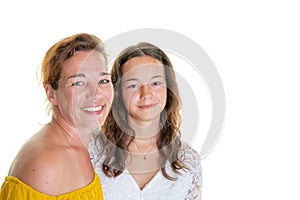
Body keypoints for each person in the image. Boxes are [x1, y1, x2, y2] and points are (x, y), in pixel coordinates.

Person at [0, 33, 114, 199]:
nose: (95, 94)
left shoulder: (84, 146)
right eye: (78, 83)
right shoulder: (46, 164)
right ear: (52, 94)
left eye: (103, 80)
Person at [89, 42, 202, 199]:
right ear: (118, 92)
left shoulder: (187, 161)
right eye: (133, 85)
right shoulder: (90, 150)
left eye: (156, 83)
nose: (146, 94)